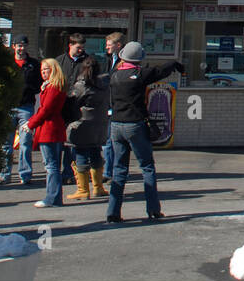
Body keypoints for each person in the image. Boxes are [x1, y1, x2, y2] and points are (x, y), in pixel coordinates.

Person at [106, 42, 183, 223]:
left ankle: (113, 211)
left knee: (119, 170)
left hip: (116, 124)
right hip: (135, 124)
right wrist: (176, 64)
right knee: (147, 166)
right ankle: (153, 209)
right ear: (139, 59)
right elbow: (160, 71)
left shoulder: (114, 75)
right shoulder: (139, 74)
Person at [65, 56, 110, 201]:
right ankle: (98, 188)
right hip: (100, 125)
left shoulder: (81, 86)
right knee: (96, 153)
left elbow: (72, 104)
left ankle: (83, 190)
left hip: (82, 124)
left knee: (81, 155)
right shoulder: (103, 84)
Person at [0, 35, 41, 186]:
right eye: (18, 45)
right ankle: (4, 174)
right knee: (6, 144)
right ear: (13, 46)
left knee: (25, 143)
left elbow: (39, 83)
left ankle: (25, 174)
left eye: (24, 45)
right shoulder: (6, 63)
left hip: (26, 107)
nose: (21, 48)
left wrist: (29, 90)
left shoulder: (34, 64)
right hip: (9, 106)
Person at [25, 58, 67, 207]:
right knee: (52, 165)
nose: (43, 73)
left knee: (51, 165)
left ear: (53, 70)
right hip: (51, 128)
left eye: (46, 70)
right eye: (42, 70)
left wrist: (30, 123)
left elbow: (46, 110)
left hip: (50, 129)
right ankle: (54, 197)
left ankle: (52, 198)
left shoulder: (53, 88)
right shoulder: (50, 87)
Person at [59, 33, 87, 184]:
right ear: (70, 45)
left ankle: (70, 172)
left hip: (77, 106)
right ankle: (57, 171)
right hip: (62, 105)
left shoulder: (87, 61)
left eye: (82, 48)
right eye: (78, 47)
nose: (81, 50)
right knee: (59, 141)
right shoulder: (60, 61)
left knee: (73, 141)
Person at [101, 32, 125, 179]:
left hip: (116, 105)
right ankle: (108, 171)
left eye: (109, 45)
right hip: (106, 104)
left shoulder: (124, 62)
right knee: (107, 141)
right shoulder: (107, 60)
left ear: (118, 45)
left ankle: (111, 172)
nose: (107, 47)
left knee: (112, 141)